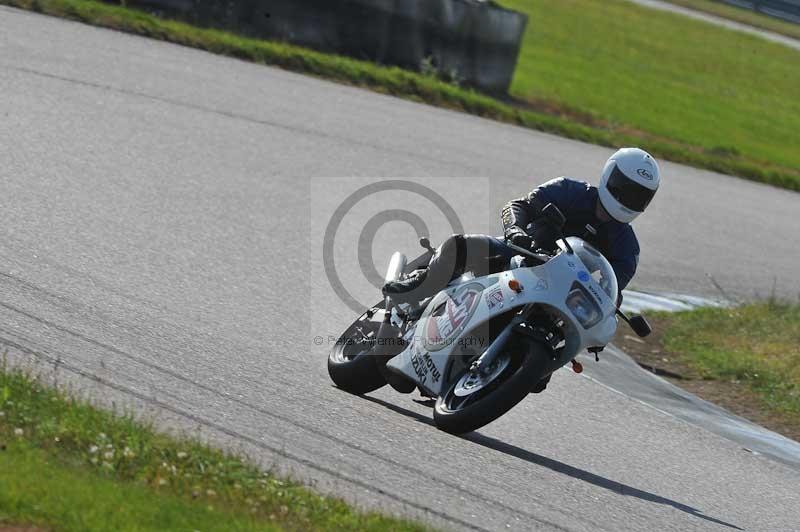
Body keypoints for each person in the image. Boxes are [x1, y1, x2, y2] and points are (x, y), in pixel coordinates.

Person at [382, 147, 661, 391]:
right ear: (609, 175)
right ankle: (420, 283)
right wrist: (516, 231)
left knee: (540, 376)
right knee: (463, 245)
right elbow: (519, 205)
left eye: (638, 196)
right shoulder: (569, 190)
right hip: (520, 255)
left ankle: (490, 372)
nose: (628, 199)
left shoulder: (628, 249)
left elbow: (612, 288)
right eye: (624, 188)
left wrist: (607, 312)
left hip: (558, 295)